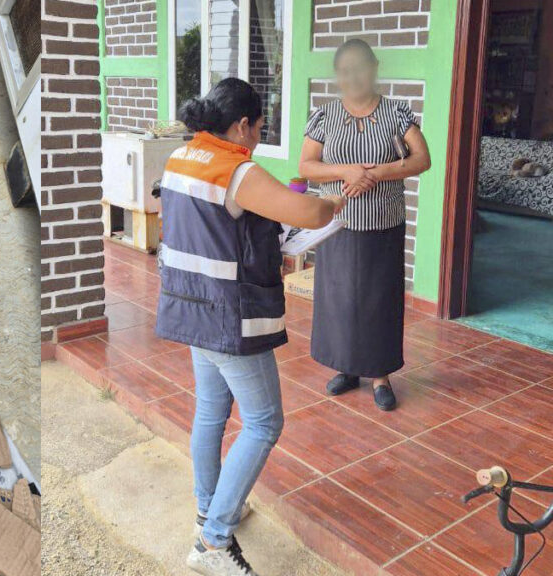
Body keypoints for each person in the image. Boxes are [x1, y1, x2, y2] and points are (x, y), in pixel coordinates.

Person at [155, 78, 345, 576]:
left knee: (211, 413)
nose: (258, 138)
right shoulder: (235, 168)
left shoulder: (182, 157)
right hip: (225, 315)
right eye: (260, 128)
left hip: (190, 306)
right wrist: (334, 202)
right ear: (242, 124)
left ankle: (210, 510)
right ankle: (213, 543)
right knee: (264, 423)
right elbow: (306, 211)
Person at [298, 39, 431, 411]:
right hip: (337, 222)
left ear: (375, 67)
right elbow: (306, 165)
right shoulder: (324, 116)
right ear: (337, 76)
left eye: (360, 67)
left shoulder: (396, 113)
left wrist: (375, 173)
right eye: (345, 70)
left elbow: (422, 159)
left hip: (383, 225)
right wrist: (347, 171)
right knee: (339, 298)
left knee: (378, 300)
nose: (353, 76)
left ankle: (380, 375)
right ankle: (347, 367)